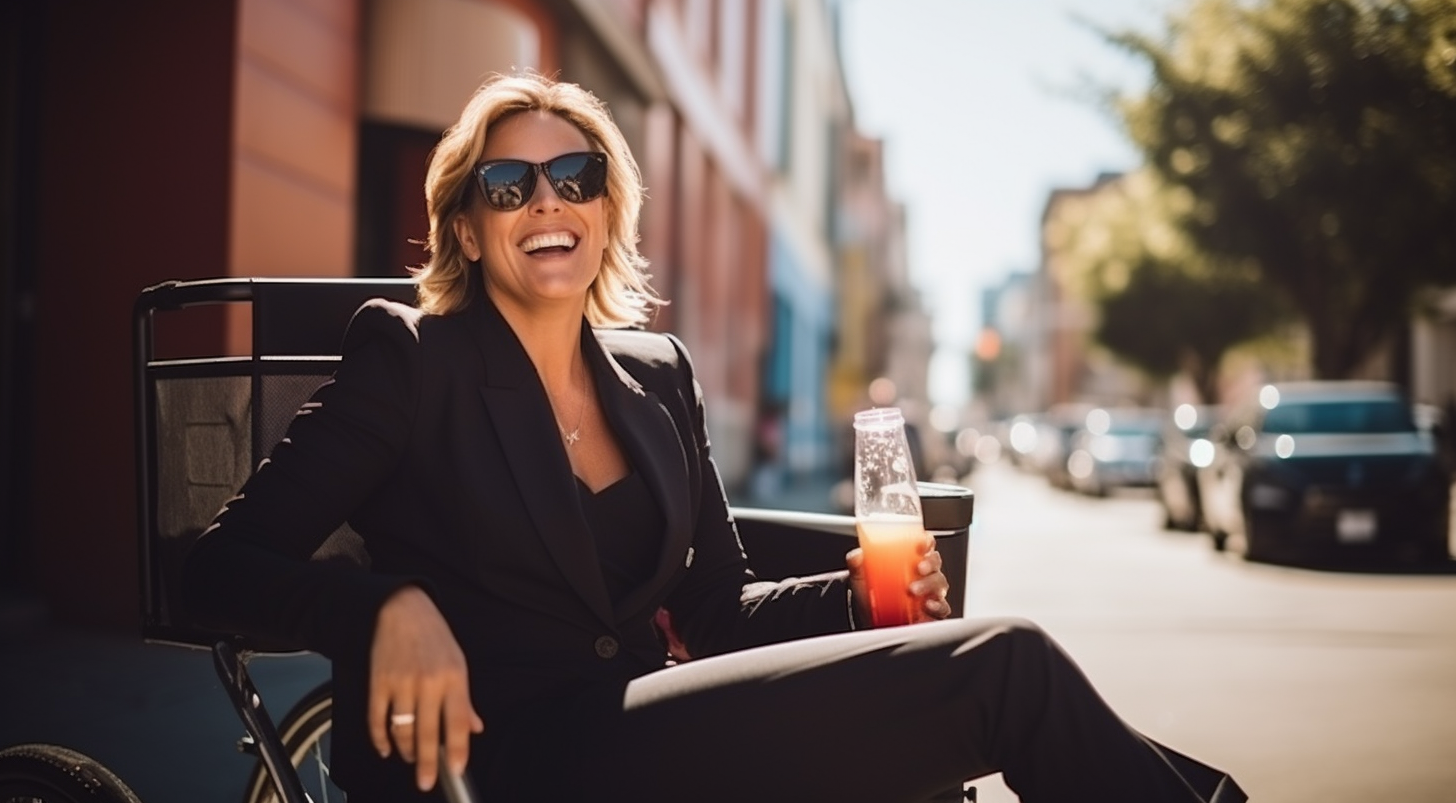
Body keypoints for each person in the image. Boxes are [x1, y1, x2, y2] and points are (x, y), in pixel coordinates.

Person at [183, 72, 1244, 803]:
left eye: (575, 177)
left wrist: (855, 590)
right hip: (502, 760)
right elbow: (217, 572)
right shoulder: (411, 360)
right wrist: (382, 606)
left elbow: (714, 612)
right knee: (1002, 667)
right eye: (507, 186)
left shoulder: (656, 374)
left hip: (648, 729)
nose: (545, 201)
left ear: (608, 211)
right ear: (466, 226)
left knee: (958, 695)